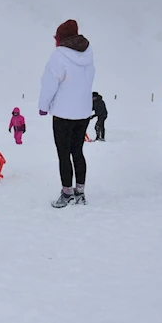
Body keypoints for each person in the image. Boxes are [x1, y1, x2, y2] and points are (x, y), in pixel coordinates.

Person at [38, 19, 95, 208]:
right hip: (83, 112)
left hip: (63, 114)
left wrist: (43, 106)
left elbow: (49, 83)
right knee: (78, 151)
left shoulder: (59, 56)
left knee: (64, 154)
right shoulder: (88, 52)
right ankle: (80, 192)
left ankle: (66, 192)